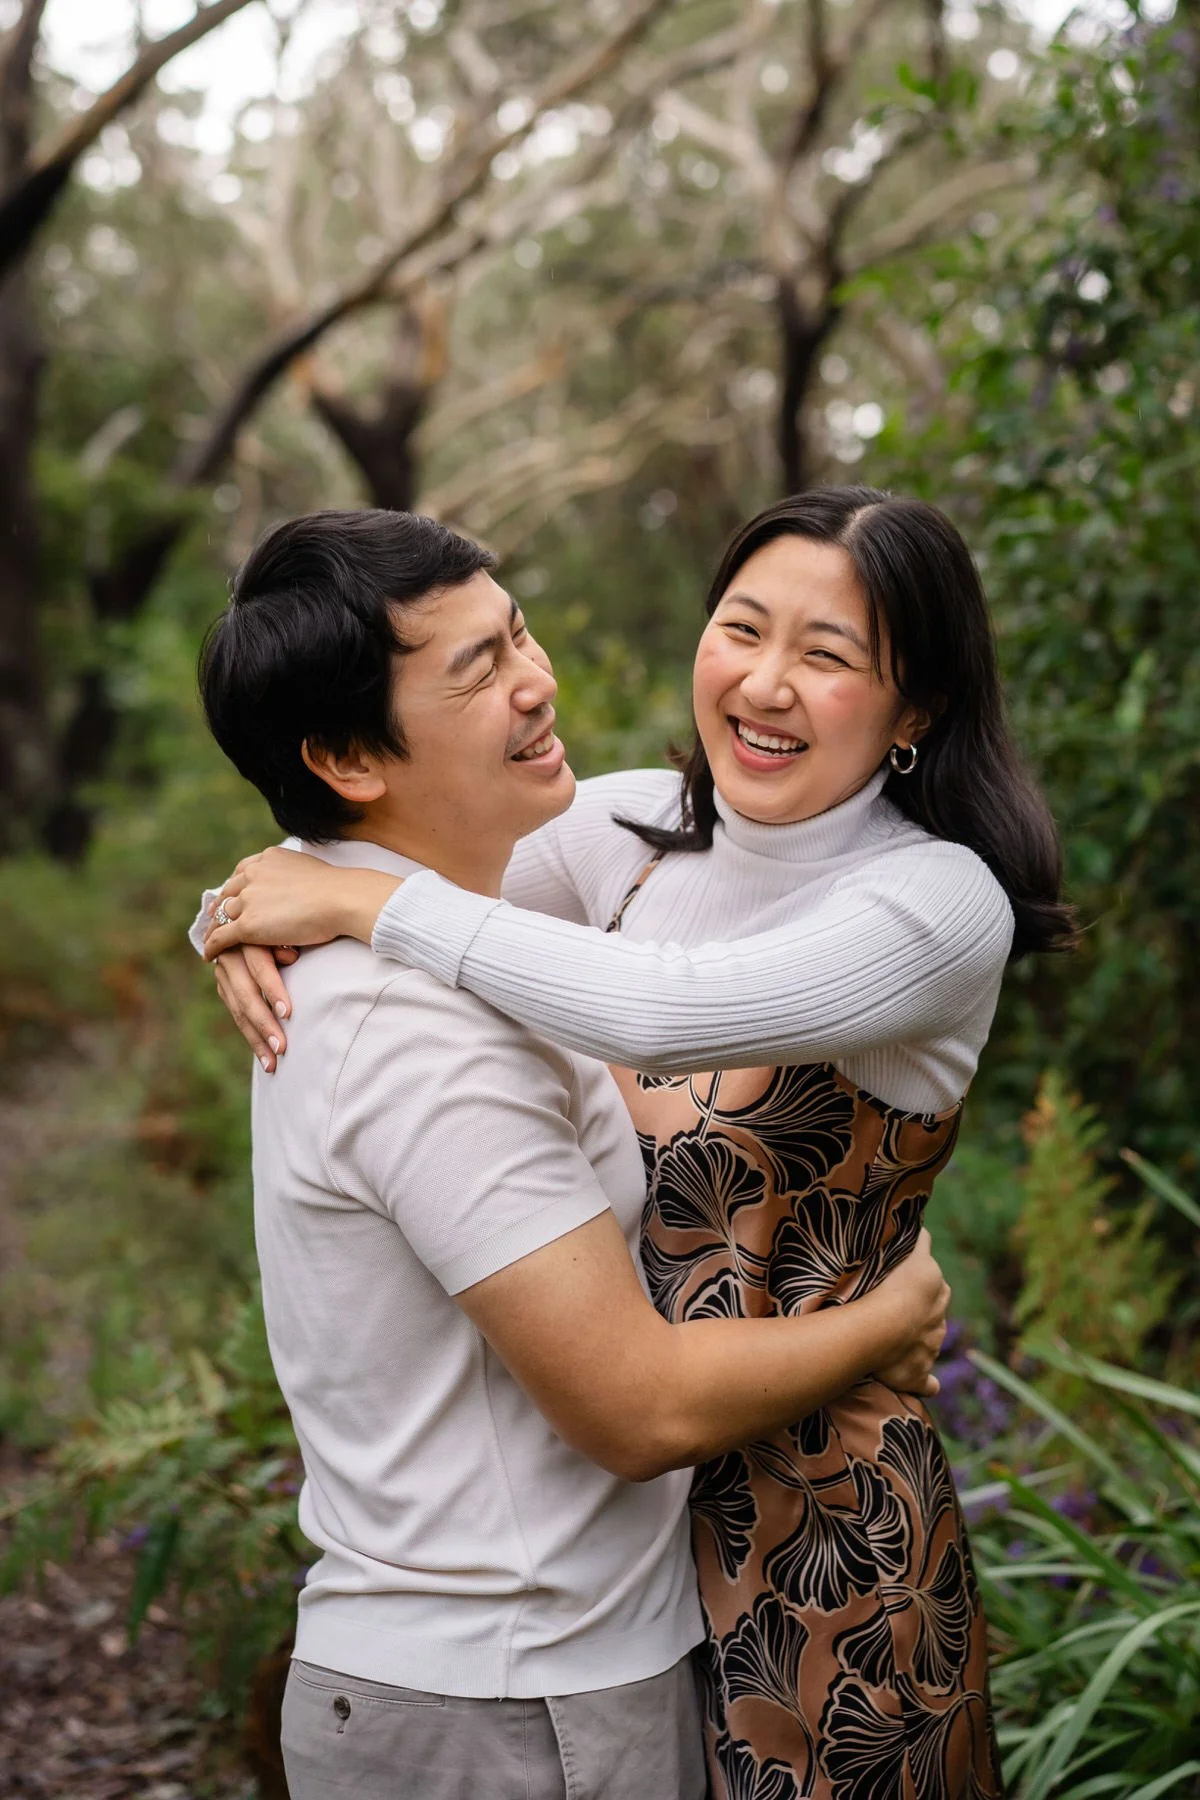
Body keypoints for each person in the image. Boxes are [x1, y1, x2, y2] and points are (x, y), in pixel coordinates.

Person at [207, 488, 1075, 1799]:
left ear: (921, 708)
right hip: (611, 1566)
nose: (766, 683)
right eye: (742, 627)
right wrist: (239, 916)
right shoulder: (629, 836)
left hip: (812, 1541)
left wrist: (355, 901)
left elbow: (657, 1010)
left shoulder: (935, 902)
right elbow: (365, 819)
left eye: (829, 656)